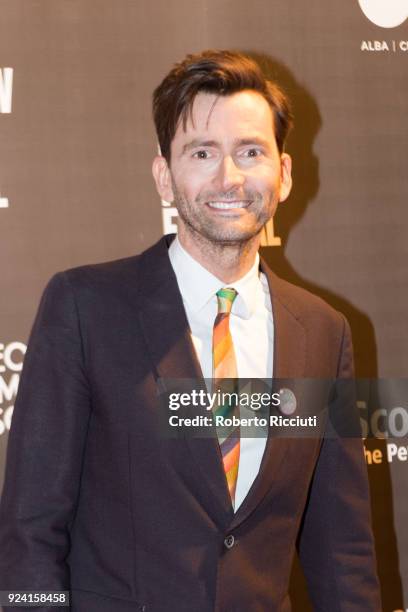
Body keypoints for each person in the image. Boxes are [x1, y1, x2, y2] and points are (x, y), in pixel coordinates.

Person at [0, 50, 381, 611]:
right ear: (165, 176)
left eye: (250, 151)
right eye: (202, 152)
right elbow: (31, 528)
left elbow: (342, 547)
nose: (229, 177)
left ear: (284, 173)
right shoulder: (85, 309)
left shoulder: (324, 333)